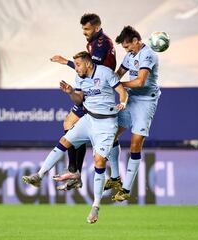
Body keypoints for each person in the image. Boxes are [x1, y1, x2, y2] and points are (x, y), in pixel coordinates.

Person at [22, 51, 128, 223]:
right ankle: (39, 176)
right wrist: (71, 92)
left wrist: (122, 102)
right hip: (89, 119)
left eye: (78, 64)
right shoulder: (79, 78)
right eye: (75, 65)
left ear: (87, 63)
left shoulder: (105, 73)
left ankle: (95, 207)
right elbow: (79, 101)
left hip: (106, 124)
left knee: (99, 162)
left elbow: (122, 92)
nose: (76, 68)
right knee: (64, 140)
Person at [50, 13, 116, 191]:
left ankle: (75, 171)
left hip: (98, 93)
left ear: (96, 27)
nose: (84, 32)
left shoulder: (101, 44)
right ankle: (75, 171)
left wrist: (66, 62)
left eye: (86, 29)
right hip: (94, 89)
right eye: (83, 29)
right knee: (69, 124)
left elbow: (89, 69)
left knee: (71, 124)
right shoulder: (94, 42)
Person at [104, 26, 160, 202]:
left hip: (145, 102)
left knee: (135, 143)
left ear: (136, 40)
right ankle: (114, 178)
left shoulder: (148, 55)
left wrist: (120, 86)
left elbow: (141, 81)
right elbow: (118, 74)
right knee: (111, 134)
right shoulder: (130, 56)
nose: (127, 50)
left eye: (128, 46)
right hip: (131, 100)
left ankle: (126, 189)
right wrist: (107, 80)